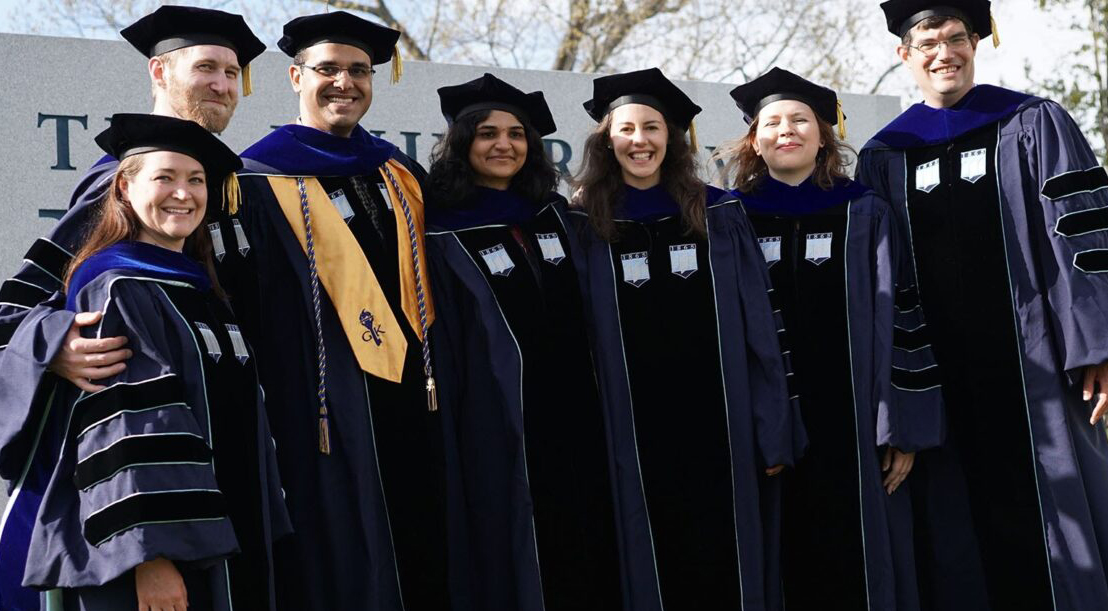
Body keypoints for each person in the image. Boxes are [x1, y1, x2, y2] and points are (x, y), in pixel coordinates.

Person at [0, 8, 264, 609]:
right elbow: (14, 307)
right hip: (142, 494)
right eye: (206, 68)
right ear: (159, 72)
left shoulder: (227, 189)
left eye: (232, 72)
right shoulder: (113, 195)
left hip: (223, 467)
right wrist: (58, 341)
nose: (222, 85)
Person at [857, 1, 1108, 610]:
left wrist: (1099, 344)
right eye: (928, 44)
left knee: (1060, 510)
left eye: (956, 38)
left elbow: (1084, 235)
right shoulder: (884, 155)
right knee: (954, 528)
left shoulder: (1032, 122)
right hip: (935, 374)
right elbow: (878, 279)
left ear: (977, 41)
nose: (945, 53)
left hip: (1037, 363)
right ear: (904, 57)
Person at [227, 11, 450, 611]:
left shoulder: (398, 173)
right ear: (295, 77)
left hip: (413, 393)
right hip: (317, 402)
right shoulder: (251, 180)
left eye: (359, 70)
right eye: (328, 69)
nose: (344, 82)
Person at [567, 67, 806, 611]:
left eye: (652, 128)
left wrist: (771, 426)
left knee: (726, 557)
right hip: (628, 430)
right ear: (607, 139)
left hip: (722, 426)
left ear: (672, 138)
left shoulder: (718, 212)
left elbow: (761, 329)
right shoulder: (583, 223)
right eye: (626, 129)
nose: (640, 140)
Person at [723, 67, 944, 611]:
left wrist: (903, 426)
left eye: (801, 119)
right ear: (755, 139)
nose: (787, 130)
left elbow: (903, 314)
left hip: (859, 423)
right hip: (768, 427)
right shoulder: (730, 220)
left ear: (825, 134)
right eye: (772, 122)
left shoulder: (864, 212)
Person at [424, 73, 621, 611]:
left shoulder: (556, 215)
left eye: (516, 134)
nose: (504, 144)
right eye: (487, 133)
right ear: (463, 144)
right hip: (494, 413)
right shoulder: (438, 231)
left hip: (579, 407)